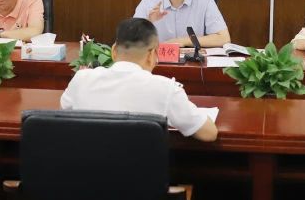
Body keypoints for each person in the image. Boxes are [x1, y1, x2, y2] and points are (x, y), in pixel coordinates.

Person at [61, 18, 217, 142]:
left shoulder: (81, 79)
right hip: (141, 173)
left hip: (86, 172)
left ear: (114, 51)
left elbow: (64, 113)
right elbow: (209, 134)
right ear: (152, 55)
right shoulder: (165, 89)